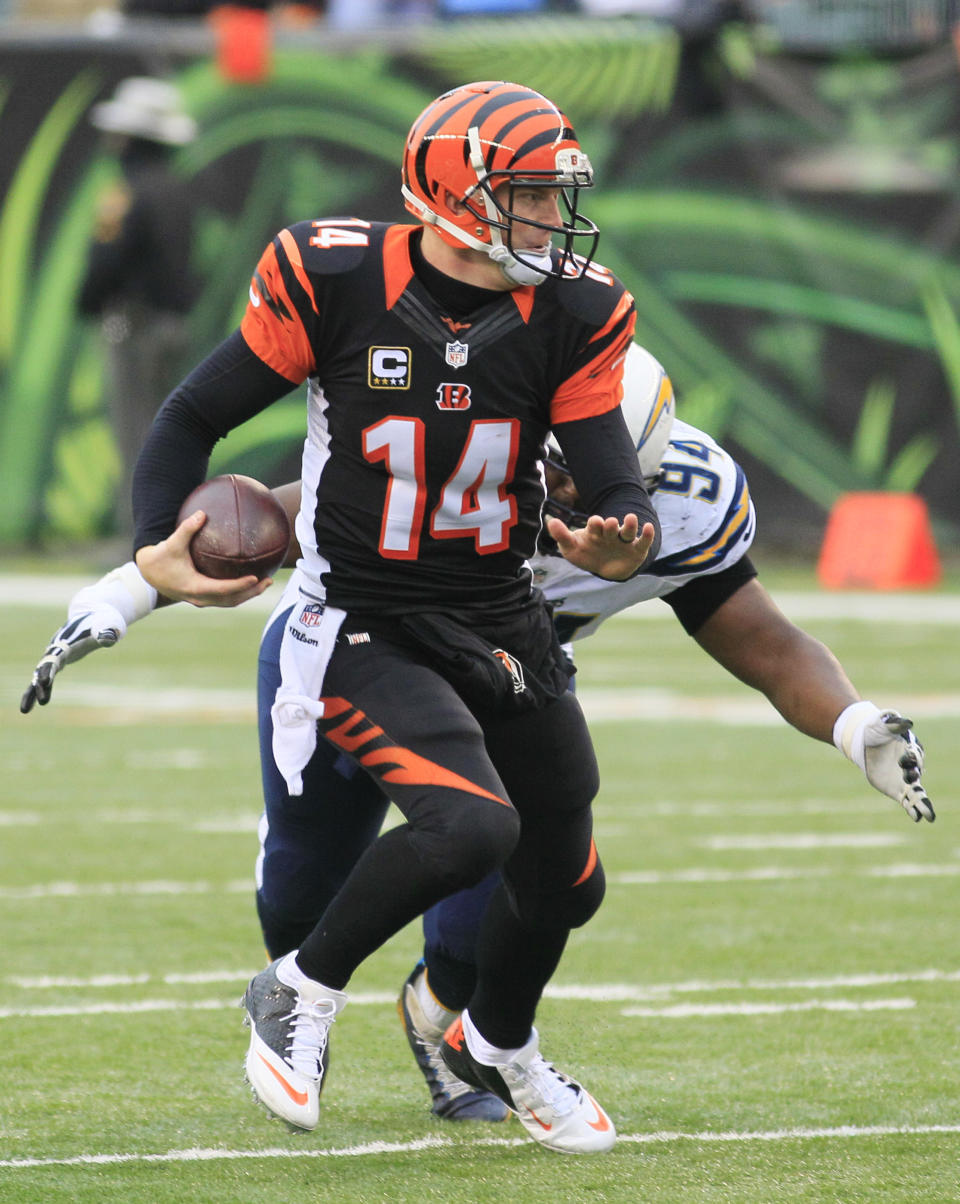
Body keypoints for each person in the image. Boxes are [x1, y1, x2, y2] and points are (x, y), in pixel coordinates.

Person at [23, 345, 933, 1126]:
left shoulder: (689, 503)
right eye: (552, 462)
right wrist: (124, 592)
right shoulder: (466, 450)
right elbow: (274, 515)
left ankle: (447, 1024)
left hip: (509, 682)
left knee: (504, 894)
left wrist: (852, 725)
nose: (562, 491)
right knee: (302, 897)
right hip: (353, 651)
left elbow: (761, 637)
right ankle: (302, 992)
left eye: (589, 470)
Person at [91, 80, 663, 1155]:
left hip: (498, 611)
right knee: (468, 828)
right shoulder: (335, 275)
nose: (552, 218)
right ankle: (299, 987)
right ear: (456, 192)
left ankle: (499, 1041)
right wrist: (149, 543)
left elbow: (610, 477)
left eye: (556, 195)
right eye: (530, 195)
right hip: (359, 614)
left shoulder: (579, 308)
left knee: (566, 873)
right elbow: (192, 413)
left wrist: (622, 529)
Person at [78, 76, 200, 536]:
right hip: (174, 325)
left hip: (132, 325)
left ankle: (137, 534)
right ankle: (169, 529)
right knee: (167, 432)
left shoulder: (127, 191)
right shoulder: (179, 190)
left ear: (130, 136)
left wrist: (87, 304)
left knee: (134, 432)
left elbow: (107, 259)